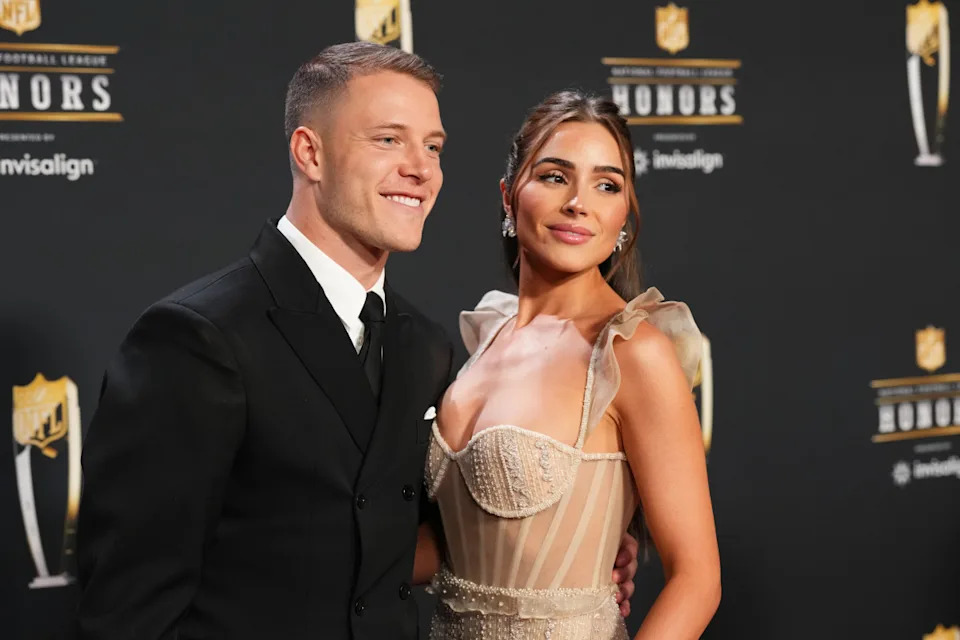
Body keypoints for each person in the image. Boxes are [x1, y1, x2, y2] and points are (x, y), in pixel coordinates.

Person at [75, 43, 636, 640]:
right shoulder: (197, 337)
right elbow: (129, 612)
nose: (420, 168)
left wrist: (563, 544)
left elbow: (396, 537)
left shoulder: (424, 347)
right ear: (310, 152)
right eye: (388, 140)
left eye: (434, 147)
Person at [423, 91, 721, 639]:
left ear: (623, 217)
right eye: (556, 177)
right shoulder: (487, 336)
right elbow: (441, 547)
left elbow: (697, 579)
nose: (579, 202)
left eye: (606, 185)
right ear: (509, 198)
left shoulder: (633, 351)